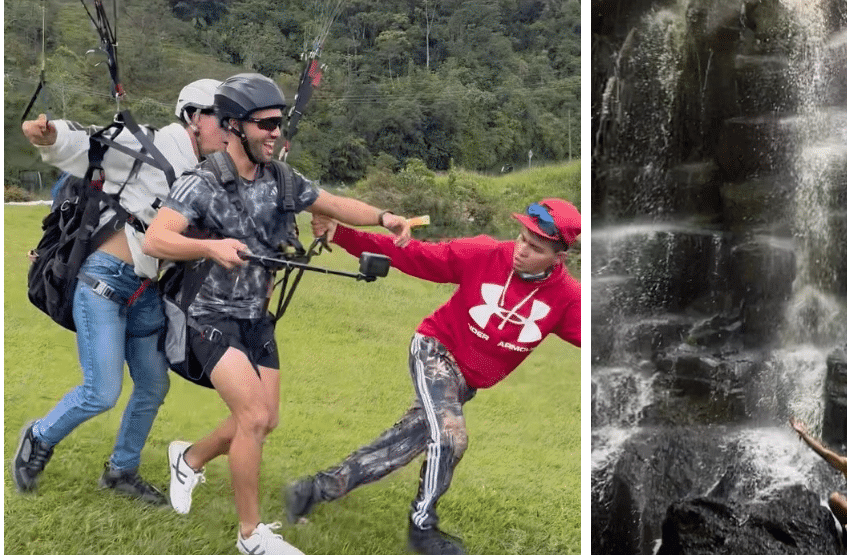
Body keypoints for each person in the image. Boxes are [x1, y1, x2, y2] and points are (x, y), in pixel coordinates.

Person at [143, 73, 414, 555]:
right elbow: (156, 239)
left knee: (266, 420)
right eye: (265, 123)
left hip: (256, 315)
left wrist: (384, 217)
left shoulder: (282, 179)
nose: (275, 132)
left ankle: (188, 458)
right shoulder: (200, 183)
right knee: (251, 416)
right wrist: (209, 247)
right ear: (232, 125)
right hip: (208, 314)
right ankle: (250, 537)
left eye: (279, 122)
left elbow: (333, 203)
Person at [280, 199, 583, 555]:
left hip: (464, 384)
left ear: (558, 257)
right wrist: (341, 233)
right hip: (435, 351)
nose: (521, 251)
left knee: (398, 449)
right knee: (451, 439)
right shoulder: (484, 252)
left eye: (536, 248)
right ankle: (423, 529)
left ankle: (310, 491)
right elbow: (416, 256)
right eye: (521, 239)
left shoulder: (567, 298)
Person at [12, 79, 229, 505]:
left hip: (146, 292)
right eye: (224, 120)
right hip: (103, 284)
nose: (230, 130)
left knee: (153, 386)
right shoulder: (148, 144)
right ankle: (38, 437)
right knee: (102, 391)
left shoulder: (209, 175)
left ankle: (121, 471)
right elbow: (88, 144)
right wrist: (50, 134)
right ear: (194, 117)